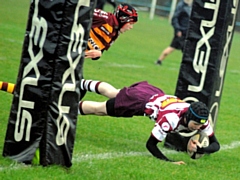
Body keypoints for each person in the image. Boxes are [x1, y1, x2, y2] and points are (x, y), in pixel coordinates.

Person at [78, 80, 220, 165]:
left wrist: (203, 150)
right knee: (101, 109)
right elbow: (150, 145)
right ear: (188, 117)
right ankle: (65, 108)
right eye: (196, 125)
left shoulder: (200, 119)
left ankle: (82, 83)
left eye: (201, 125)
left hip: (151, 93)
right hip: (139, 101)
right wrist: (169, 162)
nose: (199, 128)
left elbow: (216, 144)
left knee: (115, 93)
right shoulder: (170, 119)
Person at [155, 0, 193, 65]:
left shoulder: (190, 5)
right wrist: (178, 30)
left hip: (186, 32)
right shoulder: (181, 5)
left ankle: (159, 61)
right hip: (181, 33)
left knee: (173, 47)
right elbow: (174, 18)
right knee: (185, 50)